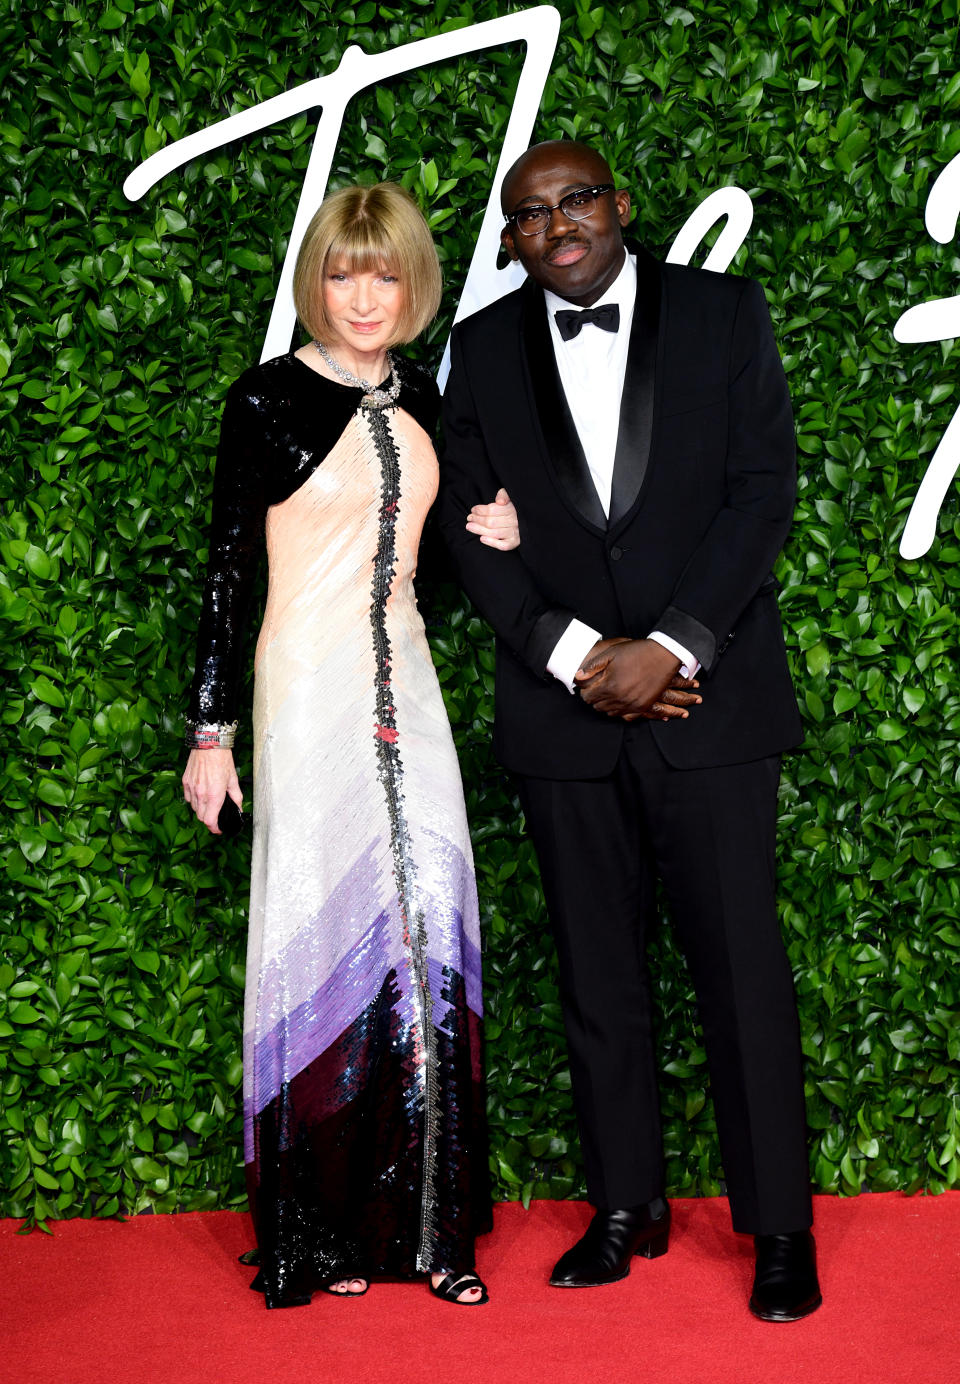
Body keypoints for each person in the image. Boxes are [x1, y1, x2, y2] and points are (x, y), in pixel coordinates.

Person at [439, 140, 822, 1322]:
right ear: (511, 240)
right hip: (565, 718)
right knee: (599, 977)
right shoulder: (482, 349)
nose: (558, 223)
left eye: (578, 200)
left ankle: (779, 1227)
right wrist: (571, 654)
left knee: (742, 973)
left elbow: (764, 492)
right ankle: (625, 1207)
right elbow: (458, 519)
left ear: (619, 206)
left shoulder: (722, 314)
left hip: (710, 704)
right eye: (531, 213)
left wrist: (675, 645)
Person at [181, 182, 518, 1308]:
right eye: (341, 273)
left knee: (426, 927)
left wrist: (499, 527)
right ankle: (320, 1233)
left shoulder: (430, 398)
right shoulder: (267, 402)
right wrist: (210, 731)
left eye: (383, 273)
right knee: (318, 945)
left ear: (413, 281)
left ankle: (429, 1228)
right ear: (314, 281)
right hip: (305, 692)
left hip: (408, 692)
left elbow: (460, 557)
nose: (364, 296)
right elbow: (228, 572)